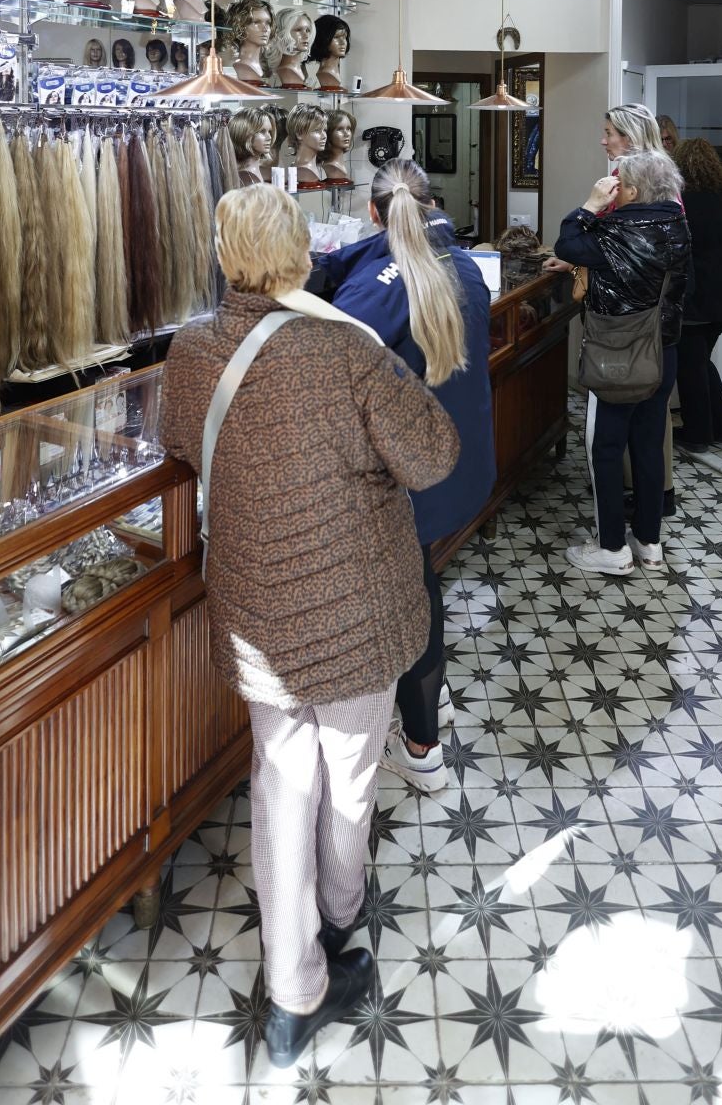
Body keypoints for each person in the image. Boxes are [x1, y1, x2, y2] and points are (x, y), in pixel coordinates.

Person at [157, 184, 458, 1067]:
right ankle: (340, 917)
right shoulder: (344, 350)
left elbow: (182, 439)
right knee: (349, 780)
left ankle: (291, 996)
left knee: (279, 782)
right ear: (300, 256)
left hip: (258, 610)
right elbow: (433, 454)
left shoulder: (192, 348)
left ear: (223, 256)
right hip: (353, 611)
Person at [316, 159, 493, 795]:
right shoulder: (460, 262)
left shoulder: (380, 290)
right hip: (457, 461)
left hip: (409, 473)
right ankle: (433, 697)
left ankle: (421, 746)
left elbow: (332, 365)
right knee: (421, 584)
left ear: (373, 212)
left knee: (410, 600)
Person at [555, 150, 691, 577]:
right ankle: (649, 543)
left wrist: (592, 206)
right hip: (662, 349)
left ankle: (612, 547)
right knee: (649, 446)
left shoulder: (615, 228)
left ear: (631, 190)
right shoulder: (679, 225)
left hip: (616, 352)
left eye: (619, 183)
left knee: (607, 449)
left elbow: (568, 244)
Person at [674, 138, 722, 453]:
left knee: (690, 366)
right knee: (700, 361)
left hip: (695, 297)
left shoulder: (684, 202)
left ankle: (698, 434)